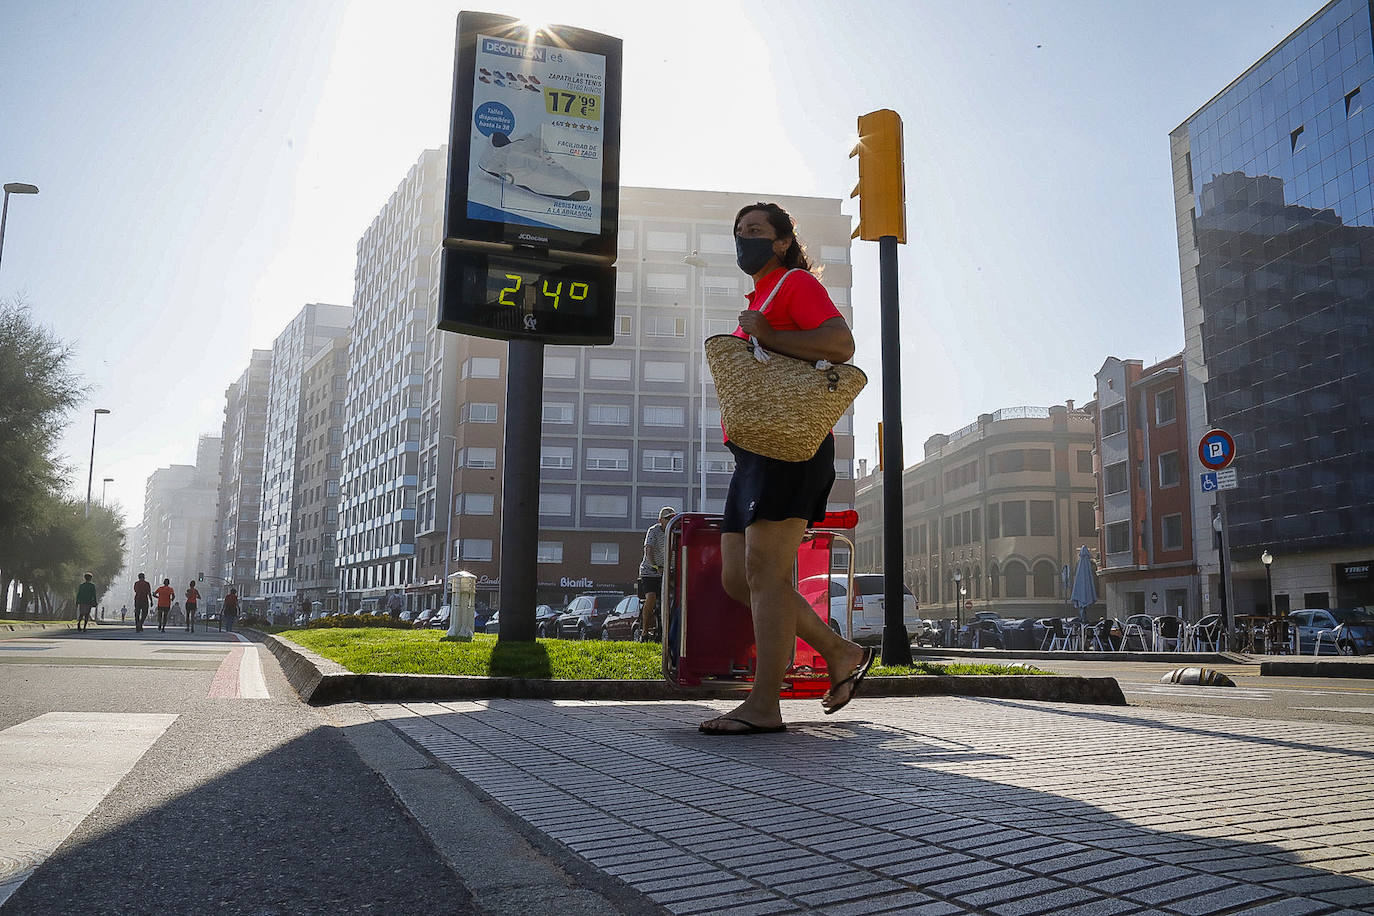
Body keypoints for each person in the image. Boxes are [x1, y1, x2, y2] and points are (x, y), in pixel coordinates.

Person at [698, 202, 874, 736]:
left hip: (790, 451)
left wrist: (767, 335)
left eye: (755, 231)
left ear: (779, 241)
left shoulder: (794, 284)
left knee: (766, 575)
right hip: (754, 454)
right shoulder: (758, 299)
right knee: (738, 578)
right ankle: (839, 651)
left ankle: (764, 704)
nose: (743, 239)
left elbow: (840, 345)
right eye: (738, 232)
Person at [638, 507, 674, 641]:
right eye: (667, 518)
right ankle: (645, 632)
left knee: (678, 597)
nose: (670, 520)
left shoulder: (675, 531)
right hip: (650, 572)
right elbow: (648, 551)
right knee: (651, 597)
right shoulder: (653, 531)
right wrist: (656, 566)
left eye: (672, 517)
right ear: (660, 520)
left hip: (668, 571)